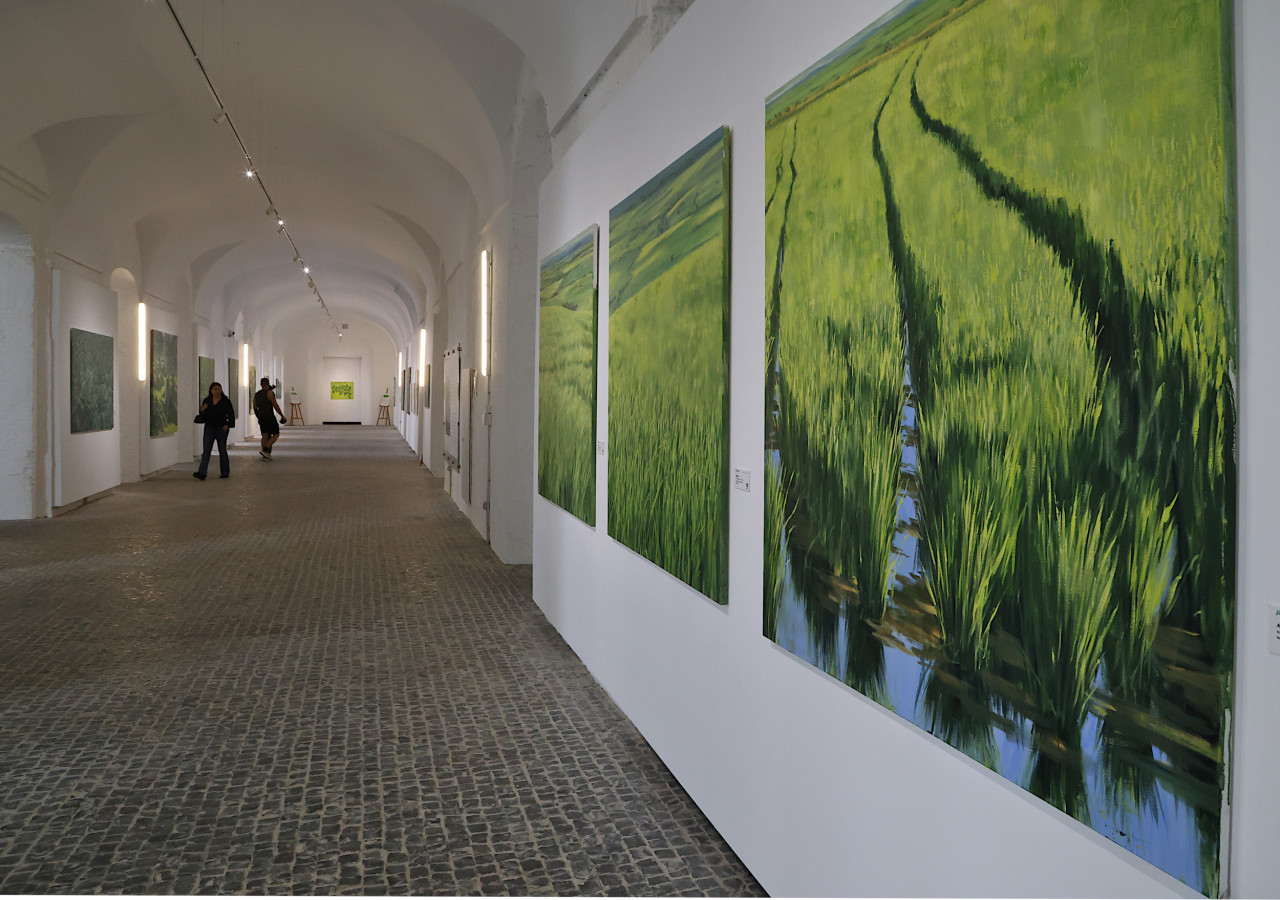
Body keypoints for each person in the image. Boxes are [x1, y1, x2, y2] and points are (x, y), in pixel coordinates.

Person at [194, 381, 235, 479]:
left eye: (219, 389)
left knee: (222, 449)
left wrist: (228, 425)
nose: (217, 391)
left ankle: (225, 472)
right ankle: (202, 472)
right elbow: (202, 414)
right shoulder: (207, 401)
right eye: (215, 389)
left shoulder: (225, 401)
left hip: (221, 428)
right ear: (211, 391)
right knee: (206, 450)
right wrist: (202, 410)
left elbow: (231, 414)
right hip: (209, 427)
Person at [253, 377, 287, 460]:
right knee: (276, 434)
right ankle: (266, 449)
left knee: (264, 435)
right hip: (269, 417)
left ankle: (265, 455)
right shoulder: (270, 393)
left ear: (261, 385)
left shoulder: (257, 395)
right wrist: (282, 415)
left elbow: (254, 407)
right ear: (268, 384)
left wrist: (259, 417)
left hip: (262, 418)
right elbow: (275, 405)